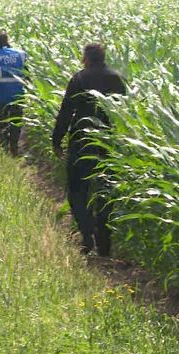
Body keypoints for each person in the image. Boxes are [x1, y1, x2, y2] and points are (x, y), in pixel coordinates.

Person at [51, 43, 126, 257]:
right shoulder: (117, 78)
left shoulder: (79, 79)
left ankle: (86, 233)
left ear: (86, 58)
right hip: (107, 143)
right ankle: (104, 243)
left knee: (77, 190)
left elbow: (66, 111)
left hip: (81, 141)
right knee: (104, 191)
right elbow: (125, 113)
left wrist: (56, 140)